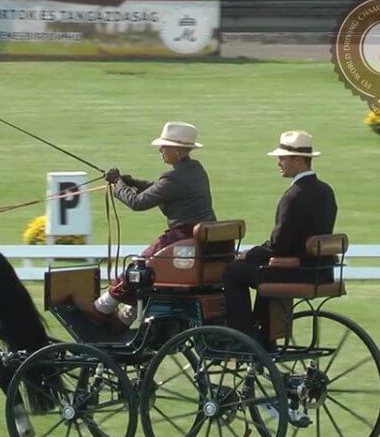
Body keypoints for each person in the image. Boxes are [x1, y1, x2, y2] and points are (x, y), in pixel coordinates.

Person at [84, 121, 216, 329]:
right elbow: (158, 188)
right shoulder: (194, 170)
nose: (160, 150)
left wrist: (118, 183)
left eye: (164, 146)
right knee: (148, 272)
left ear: (177, 150)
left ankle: (103, 306)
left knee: (139, 267)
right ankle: (127, 315)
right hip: (198, 240)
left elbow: (138, 203)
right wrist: (132, 182)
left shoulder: (173, 177)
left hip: (182, 239)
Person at [223, 130, 337, 346]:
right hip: (320, 269)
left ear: (297, 159)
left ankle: (243, 336)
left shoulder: (294, 195)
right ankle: (263, 331)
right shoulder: (325, 191)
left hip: (297, 271)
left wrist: (249, 254)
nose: (278, 163)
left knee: (232, 272)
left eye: (282, 158)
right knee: (258, 267)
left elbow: (279, 245)